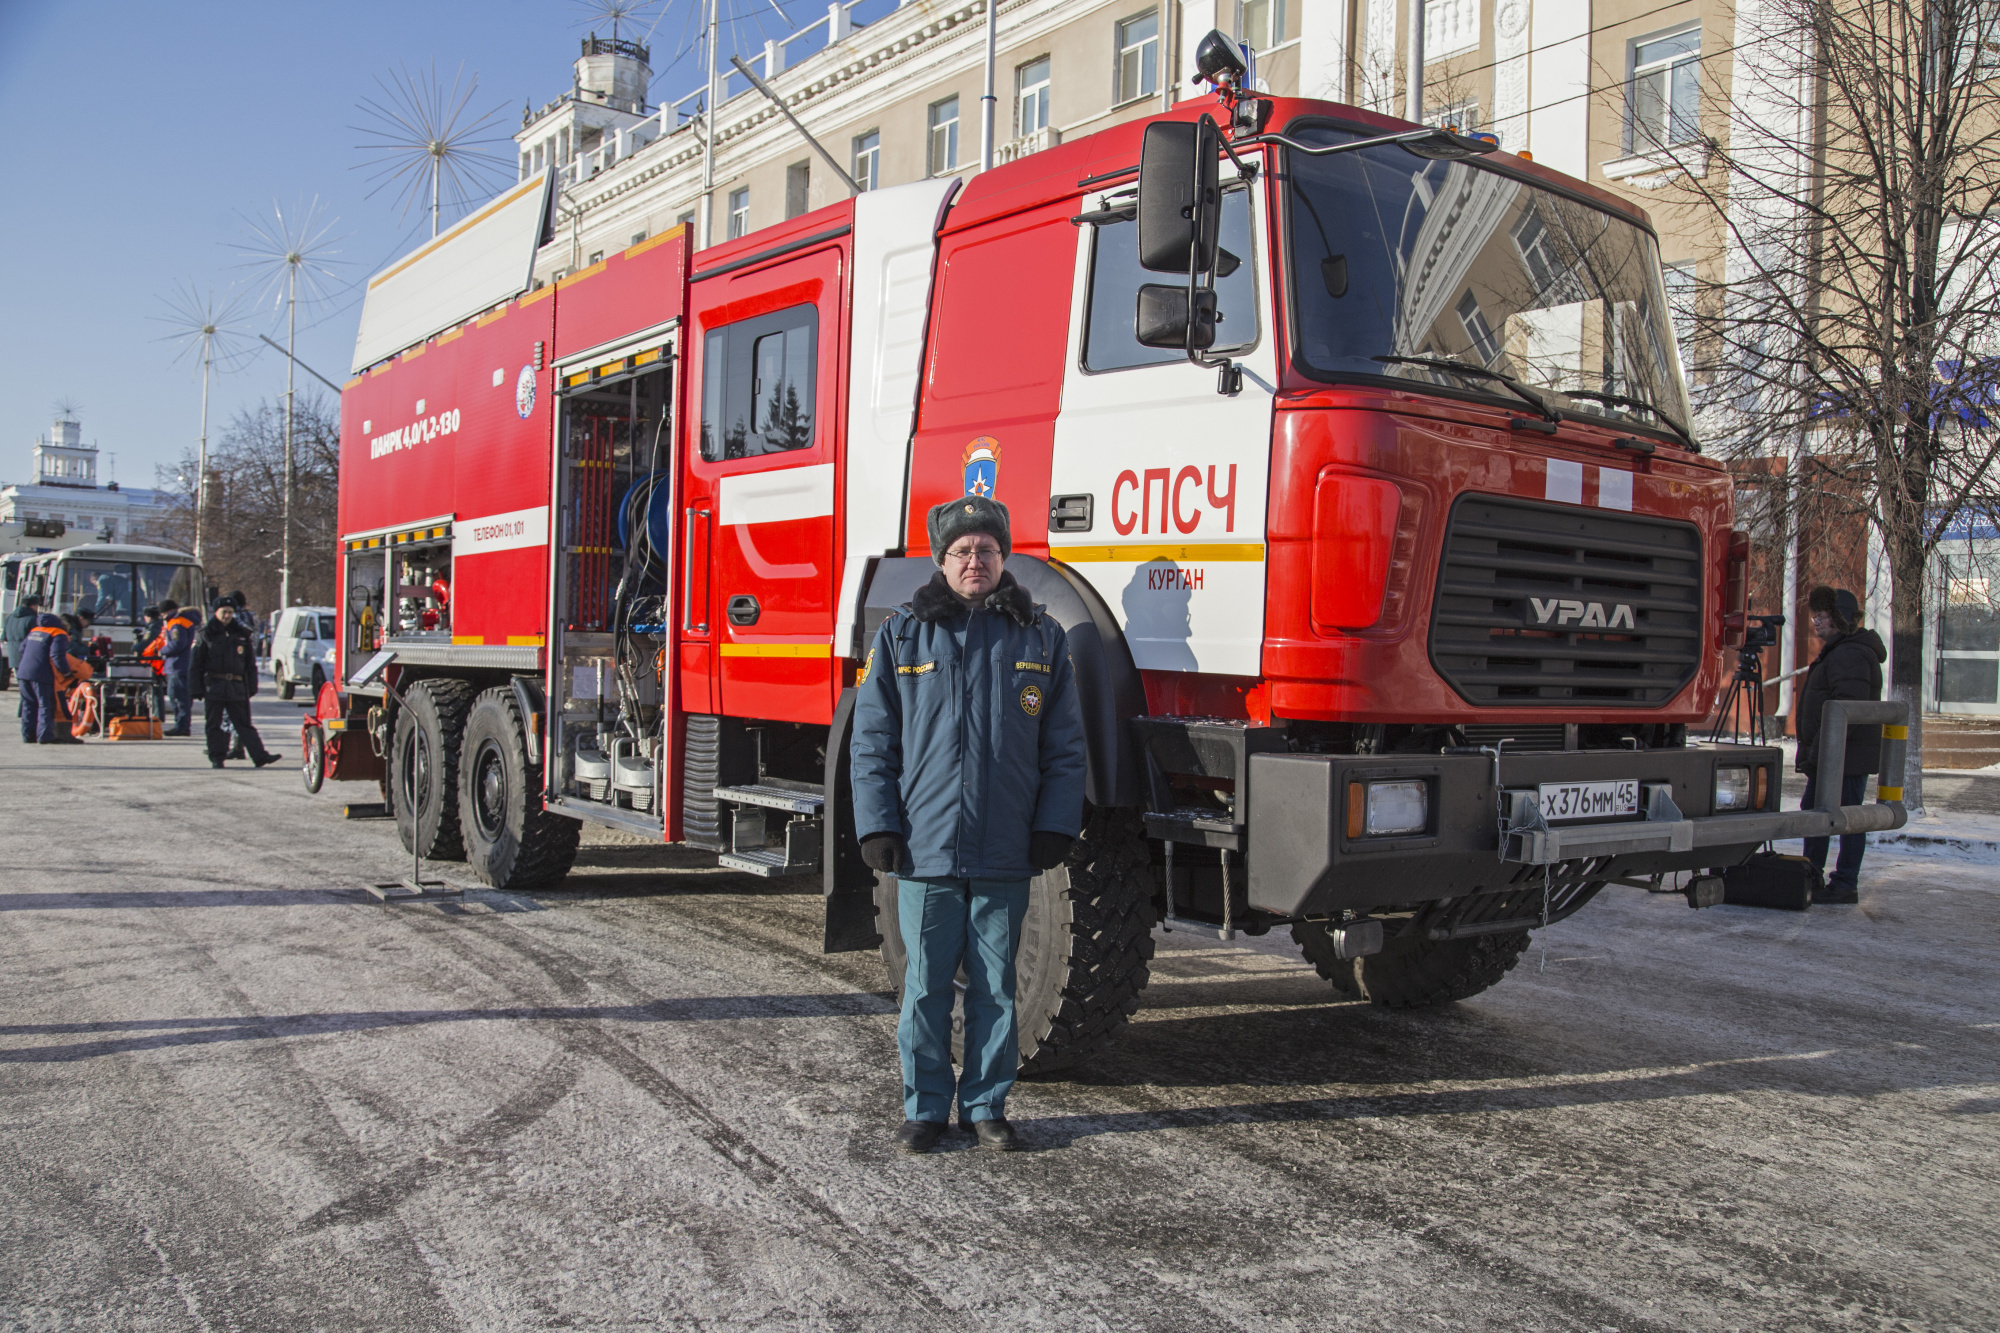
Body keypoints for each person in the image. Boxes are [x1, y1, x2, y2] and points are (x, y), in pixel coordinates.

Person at [850, 495, 1086, 1155]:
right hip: (924, 849)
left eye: (986, 548)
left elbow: (1065, 749)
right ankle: (924, 1108)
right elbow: (873, 742)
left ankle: (985, 1106)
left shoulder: (1042, 638)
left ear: (1003, 558)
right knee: (925, 987)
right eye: (962, 550)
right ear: (942, 560)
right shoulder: (902, 636)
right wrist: (878, 825)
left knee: (995, 989)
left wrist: (1053, 826)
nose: (974, 560)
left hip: (1006, 848)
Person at [1795, 585, 1887, 905]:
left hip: (1842, 757)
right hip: (1835, 755)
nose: (1816, 623)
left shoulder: (1848, 653)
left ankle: (1842, 882)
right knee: (1820, 814)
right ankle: (1815, 876)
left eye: (1821, 617)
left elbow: (1846, 708)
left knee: (1847, 819)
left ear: (1840, 618)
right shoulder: (1841, 649)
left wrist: (1821, 753)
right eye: (1815, 617)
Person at [190, 598, 279, 770]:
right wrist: (196, 689)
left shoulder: (241, 634)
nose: (227, 616)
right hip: (214, 685)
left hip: (236, 686)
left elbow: (249, 664)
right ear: (216, 613)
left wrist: (252, 686)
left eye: (230, 612)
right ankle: (217, 757)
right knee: (214, 725)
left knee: (244, 724)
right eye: (224, 612)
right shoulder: (206, 634)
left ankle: (260, 756)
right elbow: (196, 665)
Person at [16, 612, 70, 743]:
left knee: (28, 704)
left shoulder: (34, 630)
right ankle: (45, 737)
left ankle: (28, 736)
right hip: (41, 674)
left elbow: (21, 648)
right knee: (45, 704)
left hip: (23, 672)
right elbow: (57, 655)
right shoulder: (58, 633)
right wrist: (66, 673)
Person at [148, 599, 198, 736]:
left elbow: (178, 644)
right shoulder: (182, 621)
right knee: (178, 696)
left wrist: (162, 651)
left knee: (178, 697)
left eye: (162, 613)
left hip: (177, 665)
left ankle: (181, 726)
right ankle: (181, 725)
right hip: (180, 665)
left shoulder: (176, 623)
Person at [6, 594, 42, 711]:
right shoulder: (32, 619)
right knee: (30, 689)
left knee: (23, 687)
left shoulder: (10, 618)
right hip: (28, 657)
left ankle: (22, 710)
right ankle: (23, 711)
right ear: (34, 605)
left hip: (13, 656)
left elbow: (4, 636)